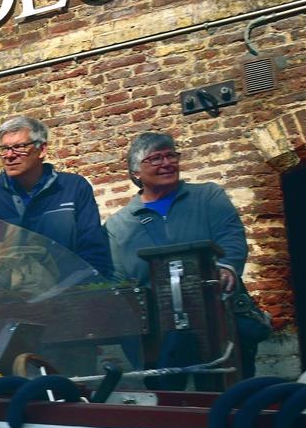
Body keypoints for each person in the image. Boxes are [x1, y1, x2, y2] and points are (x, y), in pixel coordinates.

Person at [105, 131, 266, 377]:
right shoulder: (118, 225)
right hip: (159, 336)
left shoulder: (208, 196)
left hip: (218, 320)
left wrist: (225, 267)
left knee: (233, 395)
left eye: (171, 155)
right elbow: (118, 280)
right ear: (135, 172)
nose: (167, 163)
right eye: (156, 159)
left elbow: (231, 238)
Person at [0, 116, 112, 277]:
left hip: (68, 295)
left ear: (42, 150)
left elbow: (93, 248)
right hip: (7, 297)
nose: (10, 155)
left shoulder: (73, 188)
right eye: (4, 149)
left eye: (19, 147)